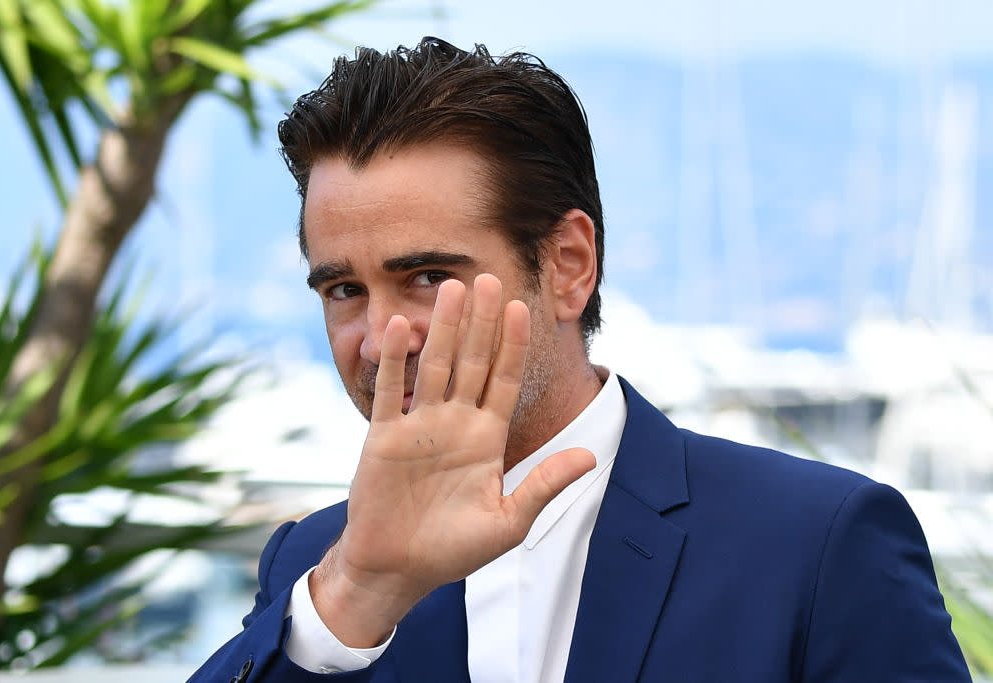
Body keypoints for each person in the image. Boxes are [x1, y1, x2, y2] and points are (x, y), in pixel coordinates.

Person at [187, 37, 970, 682]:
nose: (384, 333)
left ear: (567, 263)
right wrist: (355, 594)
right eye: (344, 289)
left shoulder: (816, 543)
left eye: (428, 277)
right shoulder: (316, 566)